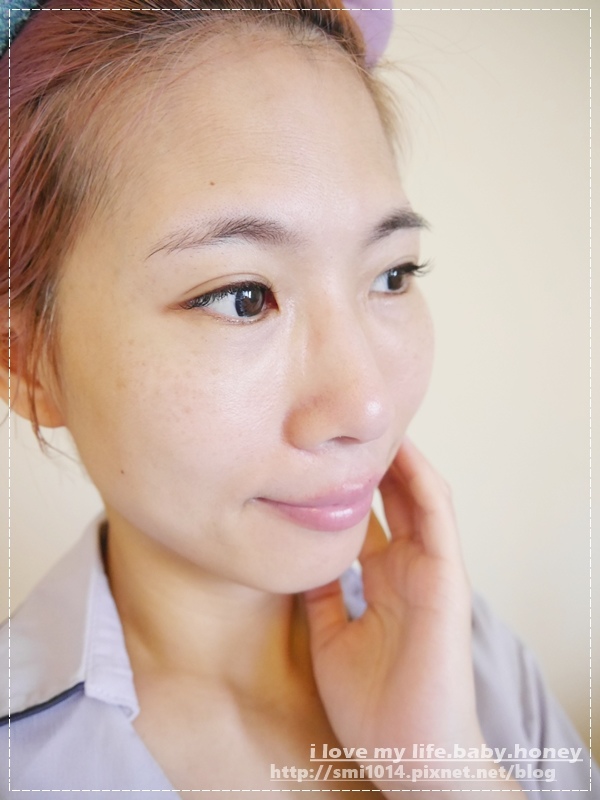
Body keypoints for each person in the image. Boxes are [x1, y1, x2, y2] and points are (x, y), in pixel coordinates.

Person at [0, 1, 596, 796]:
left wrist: (449, 773)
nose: (367, 407)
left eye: (391, 275)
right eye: (243, 297)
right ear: (26, 365)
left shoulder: (473, 658)